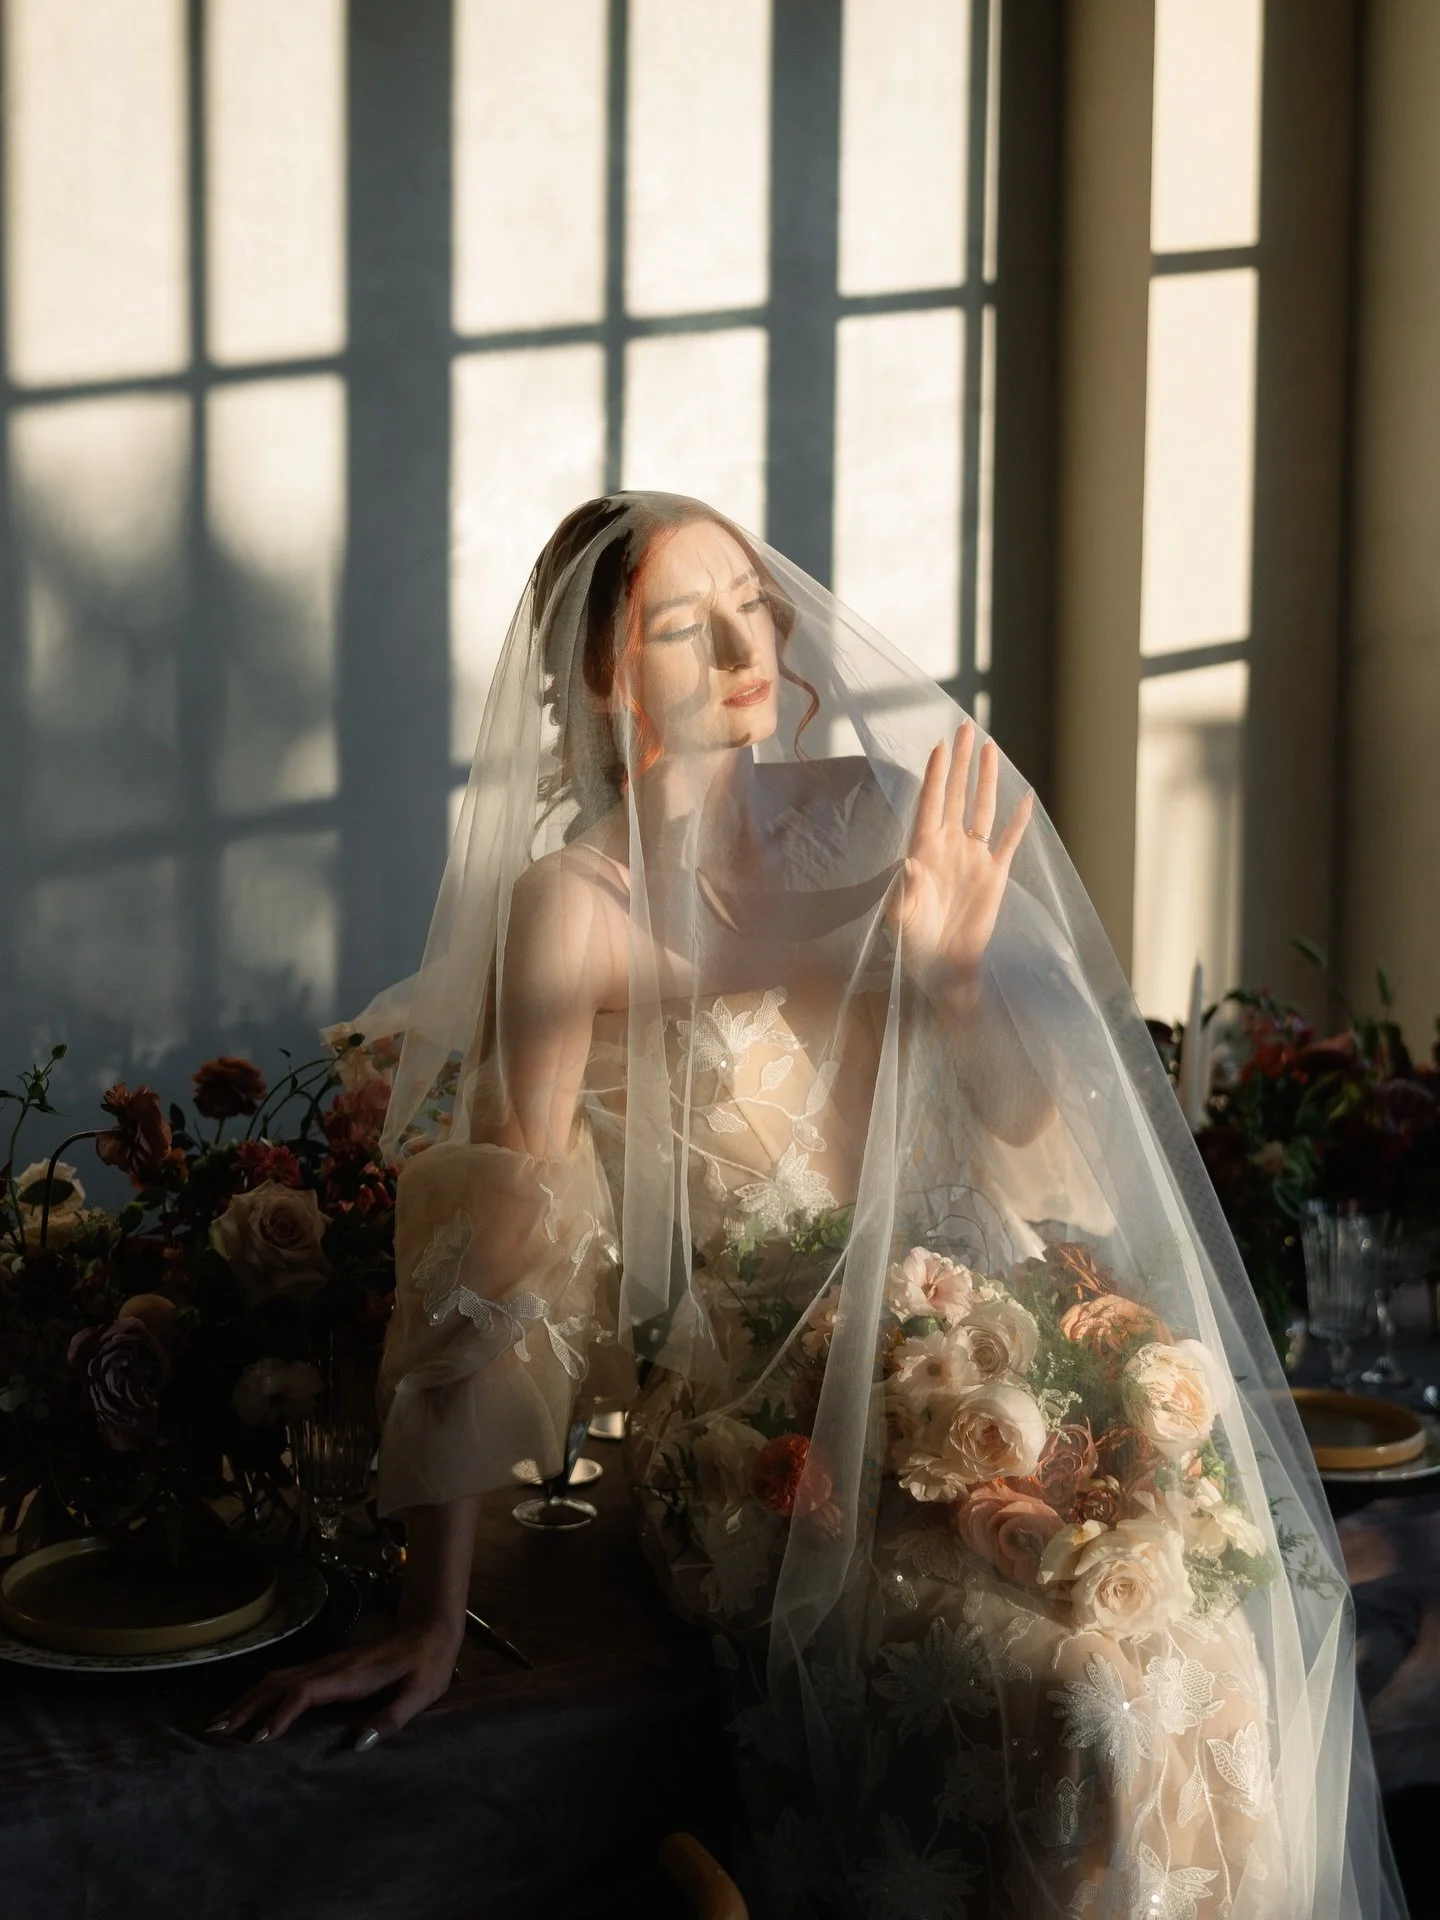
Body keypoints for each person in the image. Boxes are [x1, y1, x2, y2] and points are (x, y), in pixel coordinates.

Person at [217, 493, 1402, 1918]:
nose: (742, 639)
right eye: (678, 622)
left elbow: (1038, 1133)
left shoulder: (875, 815)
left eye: (749, 603)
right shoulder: (574, 906)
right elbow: (499, 1243)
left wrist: (952, 978)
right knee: (1085, 1697)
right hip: (759, 1429)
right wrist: (430, 1611)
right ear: (603, 678)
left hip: (986, 1347)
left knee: (1203, 1644)